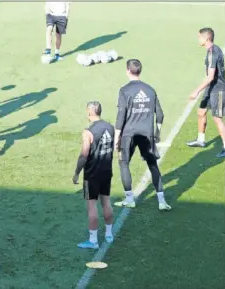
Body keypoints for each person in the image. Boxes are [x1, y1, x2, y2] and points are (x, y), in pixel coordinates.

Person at [114, 59, 171, 211]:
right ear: (140, 71)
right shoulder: (150, 90)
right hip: (147, 134)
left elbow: (121, 116)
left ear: (128, 70)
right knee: (152, 165)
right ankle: (162, 201)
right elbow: (160, 115)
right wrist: (157, 133)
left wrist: (116, 137)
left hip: (129, 134)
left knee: (124, 162)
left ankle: (129, 199)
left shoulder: (124, 90)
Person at [72, 101, 115, 249]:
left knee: (92, 206)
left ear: (89, 112)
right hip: (107, 170)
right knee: (106, 202)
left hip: (92, 173)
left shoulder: (88, 132)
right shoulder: (110, 127)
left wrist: (77, 173)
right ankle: (109, 235)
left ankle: (93, 240)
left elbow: (84, 155)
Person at [186, 27, 225, 158]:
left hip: (218, 89)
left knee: (217, 118)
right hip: (211, 88)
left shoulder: (212, 53)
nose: (198, 39)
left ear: (206, 38)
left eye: (200, 37)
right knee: (201, 112)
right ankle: (201, 140)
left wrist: (196, 91)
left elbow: (210, 77)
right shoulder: (213, 50)